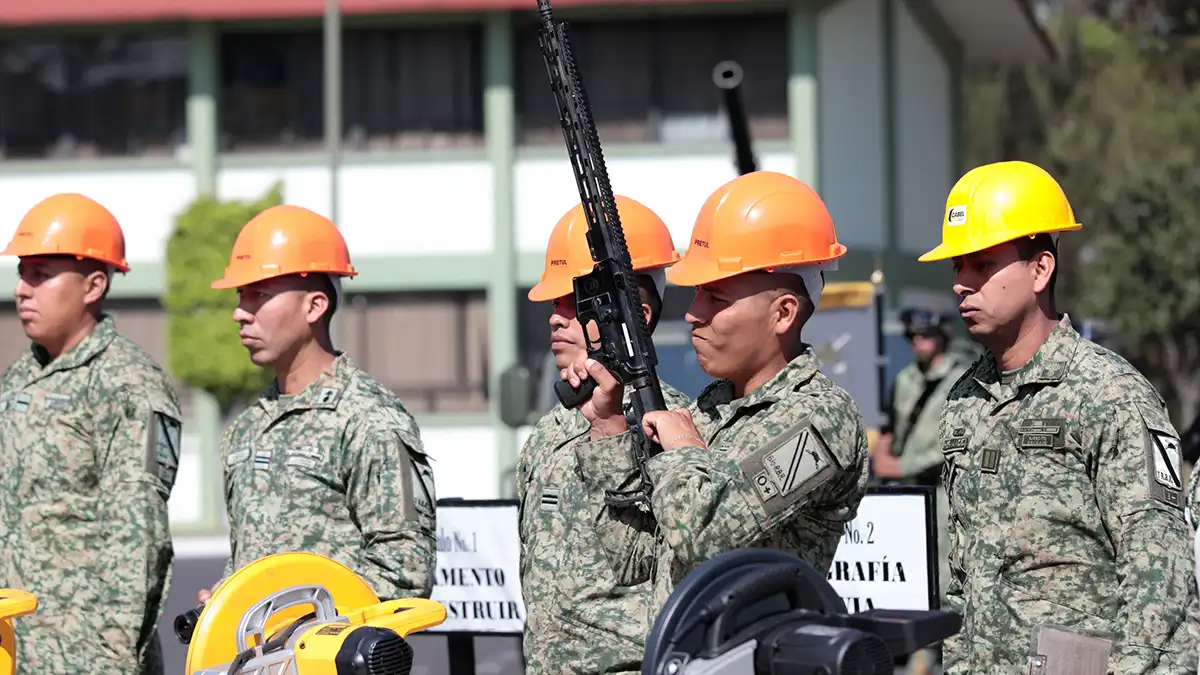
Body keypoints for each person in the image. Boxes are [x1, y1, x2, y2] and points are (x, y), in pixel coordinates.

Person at [919, 160, 1199, 672]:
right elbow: (964, 573)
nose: (961, 283)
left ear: (1040, 268)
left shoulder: (1111, 393)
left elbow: (1161, 573)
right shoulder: (964, 399)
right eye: (956, 266)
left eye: (981, 263)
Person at [561, 170, 870, 613]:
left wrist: (684, 447)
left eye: (716, 299)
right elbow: (633, 559)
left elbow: (702, 534)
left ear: (783, 313)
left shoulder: (823, 419)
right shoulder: (710, 408)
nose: (692, 314)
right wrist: (609, 427)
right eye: (697, 294)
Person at [199, 204, 436, 604]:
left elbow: (406, 570)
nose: (240, 312)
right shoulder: (248, 426)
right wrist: (228, 602)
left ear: (314, 306)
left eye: (258, 294)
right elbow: (252, 558)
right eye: (241, 296)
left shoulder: (368, 419)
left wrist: (295, 613)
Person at [0, 193, 181, 674]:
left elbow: (138, 537)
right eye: (22, 273)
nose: (22, 289)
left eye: (41, 274)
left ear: (93, 284)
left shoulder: (131, 385)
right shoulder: (19, 380)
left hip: (85, 657)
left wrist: (112, 657)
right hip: (13, 648)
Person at [517, 195, 692, 675]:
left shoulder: (669, 425)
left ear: (634, 313)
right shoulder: (550, 430)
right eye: (553, 303)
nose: (555, 317)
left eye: (573, 303)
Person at [871, 306, 974, 674]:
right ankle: (919, 656)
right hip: (908, 501)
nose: (919, 343)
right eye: (913, 337)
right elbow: (892, 428)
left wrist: (904, 465)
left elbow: (958, 440)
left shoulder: (962, 379)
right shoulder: (905, 379)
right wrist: (883, 452)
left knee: (945, 585)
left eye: (926, 336)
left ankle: (938, 659)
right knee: (912, 583)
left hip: (945, 497)